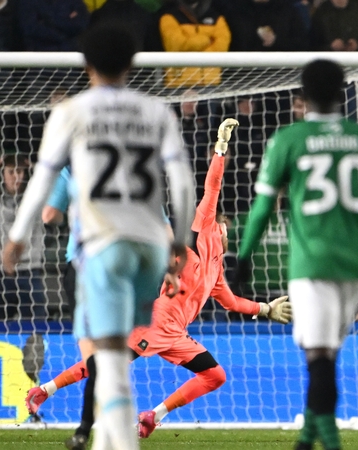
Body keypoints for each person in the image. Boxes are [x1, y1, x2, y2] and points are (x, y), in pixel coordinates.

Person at [25, 121, 292, 444]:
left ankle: (154, 415)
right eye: (223, 222)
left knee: (215, 375)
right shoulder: (199, 234)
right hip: (154, 325)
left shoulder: (216, 273)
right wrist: (221, 149)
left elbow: (233, 303)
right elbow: (213, 187)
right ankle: (42, 391)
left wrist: (266, 308)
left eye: (226, 225)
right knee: (104, 366)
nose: (225, 225)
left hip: (176, 335)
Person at [2, 23, 195, 450]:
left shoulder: (72, 112)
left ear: (86, 64)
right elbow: (182, 184)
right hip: (149, 248)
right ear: (132, 64)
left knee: (107, 360)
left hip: (103, 247)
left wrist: (17, 236)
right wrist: (179, 243)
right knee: (116, 360)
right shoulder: (157, 112)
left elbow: (43, 179)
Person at [237, 59, 358, 450]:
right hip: (354, 263)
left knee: (319, 361)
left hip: (312, 263)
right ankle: (306, 440)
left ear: (302, 96)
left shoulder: (288, 139)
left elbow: (261, 209)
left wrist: (243, 258)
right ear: (343, 92)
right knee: (326, 356)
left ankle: (329, 442)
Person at [0, 155, 46, 321]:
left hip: (28, 271)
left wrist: (35, 167)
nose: (16, 176)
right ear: (3, 174)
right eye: (11, 172)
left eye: (20, 171)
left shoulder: (36, 201)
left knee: (37, 329)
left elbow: (51, 185)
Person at [159, 0, 231, 88]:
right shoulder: (169, 16)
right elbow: (176, 46)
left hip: (211, 84)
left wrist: (190, 44)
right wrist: (206, 40)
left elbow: (221, 48)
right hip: (179, 86)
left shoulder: (217, 17)